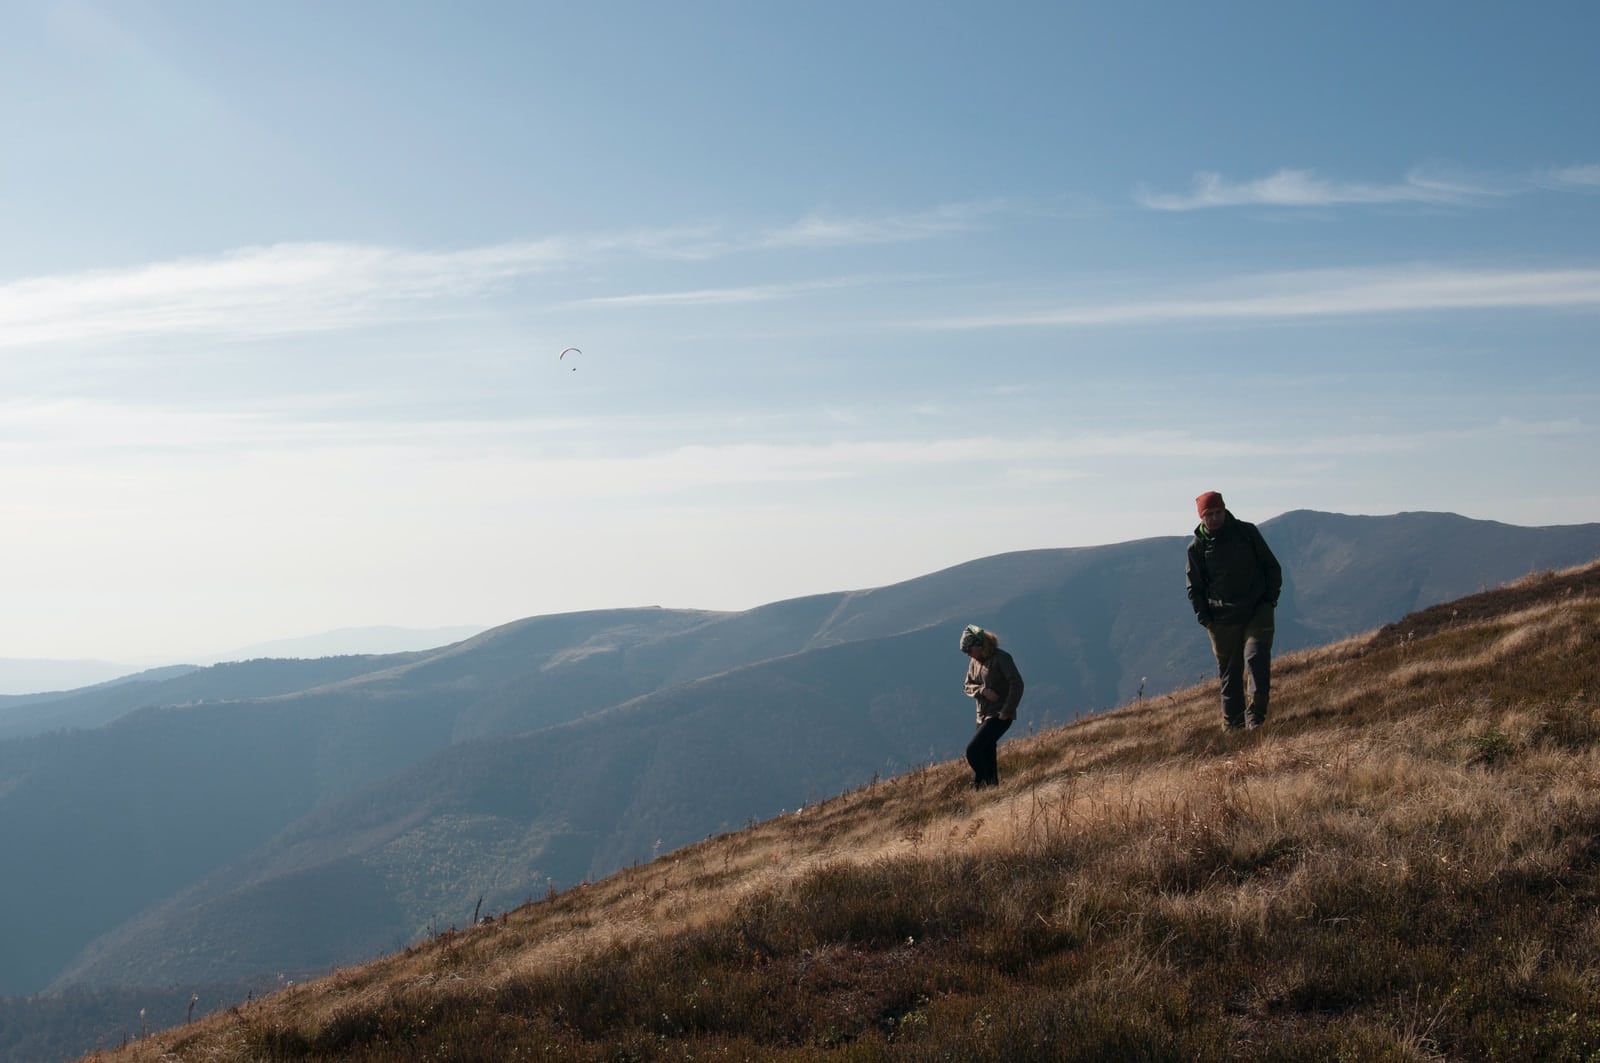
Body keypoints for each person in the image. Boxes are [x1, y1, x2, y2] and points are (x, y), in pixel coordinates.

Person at [1186, 491, 1283, 731]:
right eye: (1210, 515)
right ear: (1202, 518)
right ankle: (1234, 730)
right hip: (1221, 619)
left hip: (1256, 610)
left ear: (1225, 510)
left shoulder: (1246, 532)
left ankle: (1256, 718)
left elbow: (1271, 565)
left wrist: (1269, 599)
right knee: (1230, 674)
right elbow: (1194, 588)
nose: (1216, 518)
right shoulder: (1197, 547)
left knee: (1256, 657)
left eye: (1219, 512)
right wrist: (1206, 619)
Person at [959, 624, 1024, 788]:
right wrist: (982, 691)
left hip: (999, 715)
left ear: (980, 645)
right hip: (981, 715)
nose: (968, 655)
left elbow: (1017, 683)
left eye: (969, 650)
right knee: (986, 751)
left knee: (972, 751)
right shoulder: (974, 662)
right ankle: (992, 788)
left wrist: (1007, 710)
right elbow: (967, 685)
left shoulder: (1001, 658)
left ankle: (982, 783)